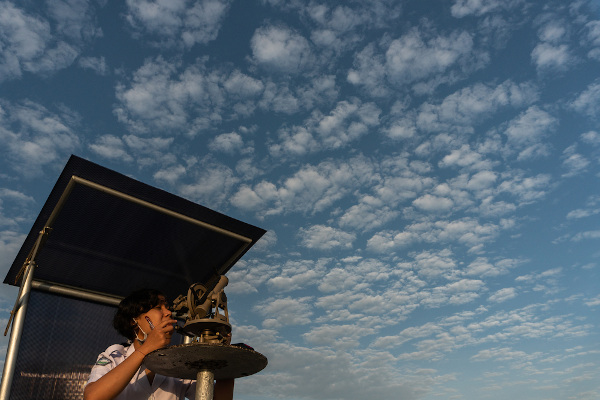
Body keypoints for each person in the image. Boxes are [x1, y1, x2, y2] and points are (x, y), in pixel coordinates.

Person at [84, 288, 234, 400]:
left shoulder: (179, 364)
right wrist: (146, 349)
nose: (168, 313)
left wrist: (224, 358)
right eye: (158, 308)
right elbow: (93, 396)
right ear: (133, 320)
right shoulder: (115, 356)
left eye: (167, 307)